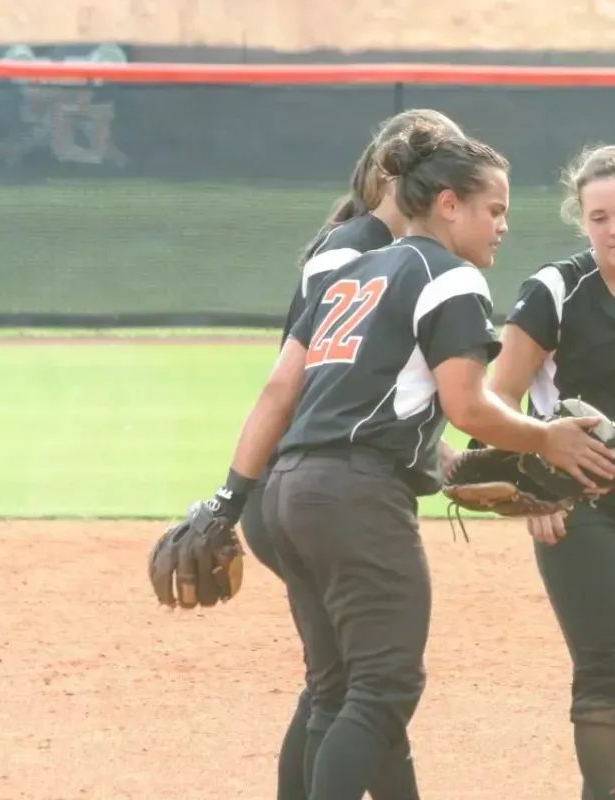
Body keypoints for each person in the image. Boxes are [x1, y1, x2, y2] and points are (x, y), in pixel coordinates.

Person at [185, 123, 615, 800]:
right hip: (357, 498)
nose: (503, 226)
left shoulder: (354, 271)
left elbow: (280, 389)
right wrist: (547, 437)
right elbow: (470, 406)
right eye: (495, 209)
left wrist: (229, 501)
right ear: (448, 204)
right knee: (386, 685)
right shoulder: (449, 279)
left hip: (292, 491)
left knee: (338, 689)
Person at [236, 107, 464, 800]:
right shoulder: (356, 250)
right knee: (358, 689)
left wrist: (435, 447)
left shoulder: (372, 247)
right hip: (322, 484)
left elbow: (364, 376)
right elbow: (315, 385)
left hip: (300, 480)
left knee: (350, 688)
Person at [486, 144, 615, 800]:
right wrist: (528, 489)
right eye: (599, 216)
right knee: (607, 669)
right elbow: (496, 398)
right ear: (582, 220)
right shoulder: (556, 290)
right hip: (580, 512)